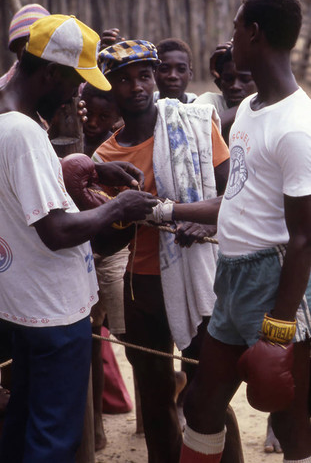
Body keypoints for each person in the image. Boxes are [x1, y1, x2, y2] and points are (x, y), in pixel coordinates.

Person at [148, 0, 311, 463]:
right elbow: (237, 199)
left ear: (254, 33)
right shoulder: (247, 113)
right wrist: (166, 209)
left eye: (237, 25)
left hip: (275, 283)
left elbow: (304, 238)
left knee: (289, 416)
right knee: (200, 403)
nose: (231, 35)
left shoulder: (297, 126)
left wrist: (278, 331)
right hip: (233, 279)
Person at [0, 13, 157, 463]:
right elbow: (55, 231)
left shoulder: (11, 119)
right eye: (73, 81)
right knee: (53, 439)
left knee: (24, 423)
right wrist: (119, 207)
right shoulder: (22, 132)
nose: (76, 94)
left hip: (24, 305)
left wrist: (85, 168)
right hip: (52, 311)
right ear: (50, 73)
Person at [94, 39, 244, 463]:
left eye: (144, 75)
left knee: (208, 393)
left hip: (201, 279)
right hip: (143, 288)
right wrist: (123, 213)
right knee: (155, 392)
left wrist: (197, 217)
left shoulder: (194, 124)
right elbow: (106, 241)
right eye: (123, 79)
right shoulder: (106, 155)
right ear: (109, 87)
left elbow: (233, 194)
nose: (136, 86)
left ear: (157, 76)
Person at [80, 82, 131, 451]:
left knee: (129, 339)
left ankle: (154, 402)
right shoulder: (69, 138)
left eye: (104, 117)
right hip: (80, 251)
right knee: (92, 339)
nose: (94, 123)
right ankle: (94, 426)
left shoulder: (111, 150)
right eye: (89, 115)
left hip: (111, 252)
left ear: (117, 119)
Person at [194, 43, 256, 144]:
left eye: (245, 80)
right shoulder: (210, 102)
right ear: (219, 84)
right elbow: (198, 131)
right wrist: (244, 107)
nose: (235, 86)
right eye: (228, 79)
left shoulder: (266, 108)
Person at [0, 3, 50, 88]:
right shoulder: (3, 88)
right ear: (16, 47)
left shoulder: (67, 87)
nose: (32, 50)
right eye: (25, 42)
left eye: (38, 42)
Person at [154, 37, 197, 103]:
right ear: (154, 74)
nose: (173, 76)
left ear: (190, 74)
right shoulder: (144, 107)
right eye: (164, 69)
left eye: (181, 69)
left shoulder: (200, 107)